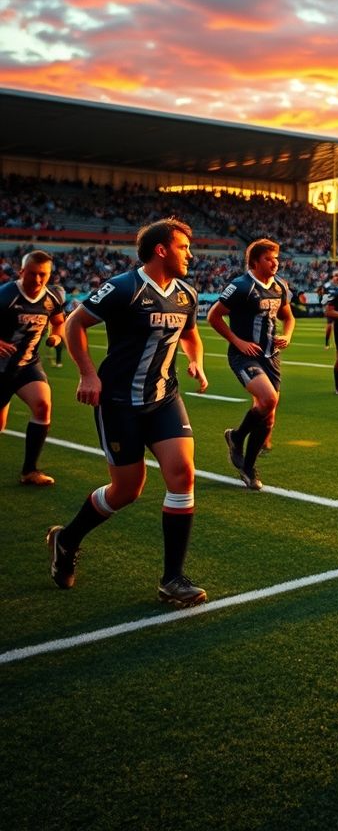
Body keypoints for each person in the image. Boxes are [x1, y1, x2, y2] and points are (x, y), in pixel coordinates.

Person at [46, 218, 209, 607]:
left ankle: (173, 579)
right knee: (126, 490)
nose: (190, 254)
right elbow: (74, 324)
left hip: (164, 398)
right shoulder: (124, 287)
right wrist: (88, 375)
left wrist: (196, 361)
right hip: (119, 402)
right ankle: (66, 540)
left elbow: (190, 334)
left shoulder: (187, 293)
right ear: (162, 249)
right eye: (184, 247)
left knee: (182, 474)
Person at [208, 239, 294, 490]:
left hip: (270, 356)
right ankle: (236, 436)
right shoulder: (241, 286)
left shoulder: (280, 286)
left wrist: (287, 336)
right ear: (255, 262)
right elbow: (214, 316)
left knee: (267, 420)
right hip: (244, 355)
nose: (275, 262)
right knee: (268, 400)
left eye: (276, 258)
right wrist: (237, 341)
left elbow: (289, 318)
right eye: (269, 258)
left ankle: (247, 466)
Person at [1, 250, 66, 485]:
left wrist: (57, 337)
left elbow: (59, 322)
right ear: (21, 272)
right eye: (33, 274)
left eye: (43, 274)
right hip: (1, 368)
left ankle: (30, 471)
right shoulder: (6, 295)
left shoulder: (52, 298)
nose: (38, 280)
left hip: (28, 364)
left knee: (42, 404)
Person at [321, 270, 338, 349]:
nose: (337, 277)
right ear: (332, 276)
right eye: (336, 275)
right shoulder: (327, 286)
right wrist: (324, 305)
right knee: (330, 326)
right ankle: (327, 342)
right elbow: (323, 296)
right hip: (330, 307)